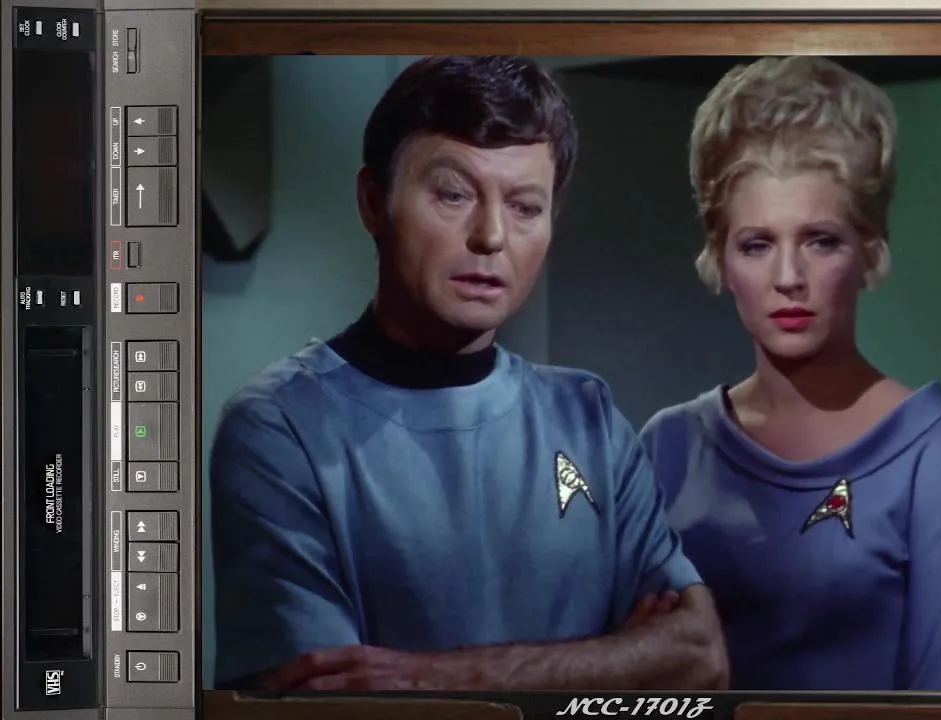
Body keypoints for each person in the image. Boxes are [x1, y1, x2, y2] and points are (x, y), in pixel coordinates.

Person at [209, 55, 728, 693]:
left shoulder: (586, 416)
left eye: (525, 206)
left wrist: (423, 677)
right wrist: (611, 660)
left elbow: (697, 657)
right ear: (373, 201)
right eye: (453, 195)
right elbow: (332, 701)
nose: (491, 236)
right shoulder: (281, 429)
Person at [639, 56, 941, 691]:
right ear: (720, 258)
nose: (788, 278)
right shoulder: (668, 445)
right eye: (757, 244)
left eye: (821, 240)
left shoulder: (937, 456)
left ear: (870, 252)